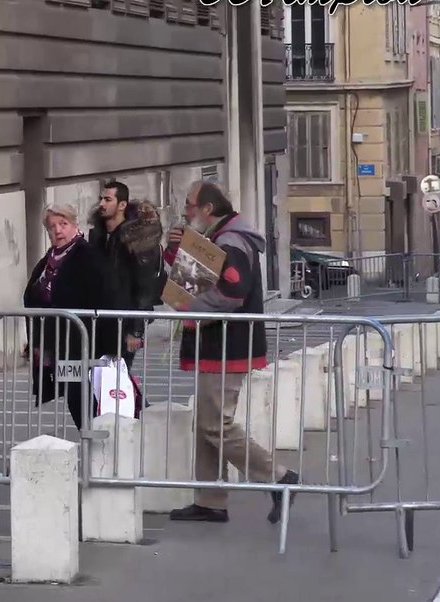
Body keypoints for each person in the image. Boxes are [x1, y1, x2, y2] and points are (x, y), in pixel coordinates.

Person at [163, 181, 299, 524]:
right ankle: (210, 500)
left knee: (215, 425)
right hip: (217, 343)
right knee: (206, 425)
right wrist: (176, 253)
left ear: (207, 208)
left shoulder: (231, 241)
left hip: (227, 344)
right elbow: (197, 280)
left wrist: (191, 309)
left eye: (190, 205)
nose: (185, 212)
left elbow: (231, 292)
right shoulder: (217, 237)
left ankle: (279, 477)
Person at [22, 203, 119, 431]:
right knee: (76, 398)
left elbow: (106, 297)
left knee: (85, 399)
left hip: (83, 344)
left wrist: (113, 345)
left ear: (75, 225)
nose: (57, 230)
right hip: (60, 346)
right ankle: (92, 443)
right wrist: (37, 341)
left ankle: (100, 445)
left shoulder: (86, 255)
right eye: (52, 226)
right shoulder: (50, 260)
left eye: (63, 224)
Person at [88, 180, 166, 366]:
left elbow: (145, 285)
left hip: (123, 322)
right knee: (96, 377)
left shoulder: (136, 239)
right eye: (101, 199)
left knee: (117, 377)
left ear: (122, 205)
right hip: (98, 320)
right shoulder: (98, 236)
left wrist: (136, 330)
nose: (101, 204)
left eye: (108, 199)